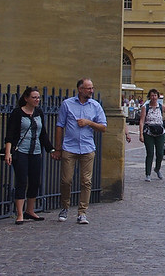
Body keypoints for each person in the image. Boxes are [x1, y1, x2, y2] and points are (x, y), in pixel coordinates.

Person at [53, 78, 107, 225]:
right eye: (88, 88)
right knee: (66, 180)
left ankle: (82, 212)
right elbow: (59, 125)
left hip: (88, 148)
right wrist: (57, 148)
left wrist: (89, 122)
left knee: (86, 181)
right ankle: (64, 207)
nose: (91, 91)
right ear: (80, 89)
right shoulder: (67, 104)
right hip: (69, 147)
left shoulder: (95, 106)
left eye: (92, 88)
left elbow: (103, 127)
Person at [4, 86, 56, 224]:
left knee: (35, 182)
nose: (37, 100)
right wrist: (8, 152)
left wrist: (51, 149)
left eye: (38, 97)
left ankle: (30, 210)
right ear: (26, 98)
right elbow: (10, 134)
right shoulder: (17, 113)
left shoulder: (39, 113)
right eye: (34, 97)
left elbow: (43, 133)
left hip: (36, 151)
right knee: (21, 181)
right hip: (21, 151)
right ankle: (19, 213)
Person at [139, 88, 165, 181]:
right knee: (150, 153)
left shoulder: (161, 106)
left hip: (160, 132)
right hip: (149, 132)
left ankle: (157, 169)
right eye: (152, 95)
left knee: (160, 153)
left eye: (155, 95)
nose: (154, 97)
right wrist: (141, 134)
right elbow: (141, 121)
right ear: (149, 97)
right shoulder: (146, 107)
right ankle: (148, 174)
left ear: (157, 97)